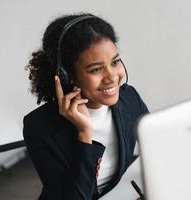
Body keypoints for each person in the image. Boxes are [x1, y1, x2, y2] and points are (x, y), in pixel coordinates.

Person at [23, 13, 149, 200]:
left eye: (114, 62)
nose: (112, 77)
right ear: (67, 75)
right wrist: (84, 134)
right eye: (96, 69)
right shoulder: (40, 126)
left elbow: (158, 153)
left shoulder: (130, 99)